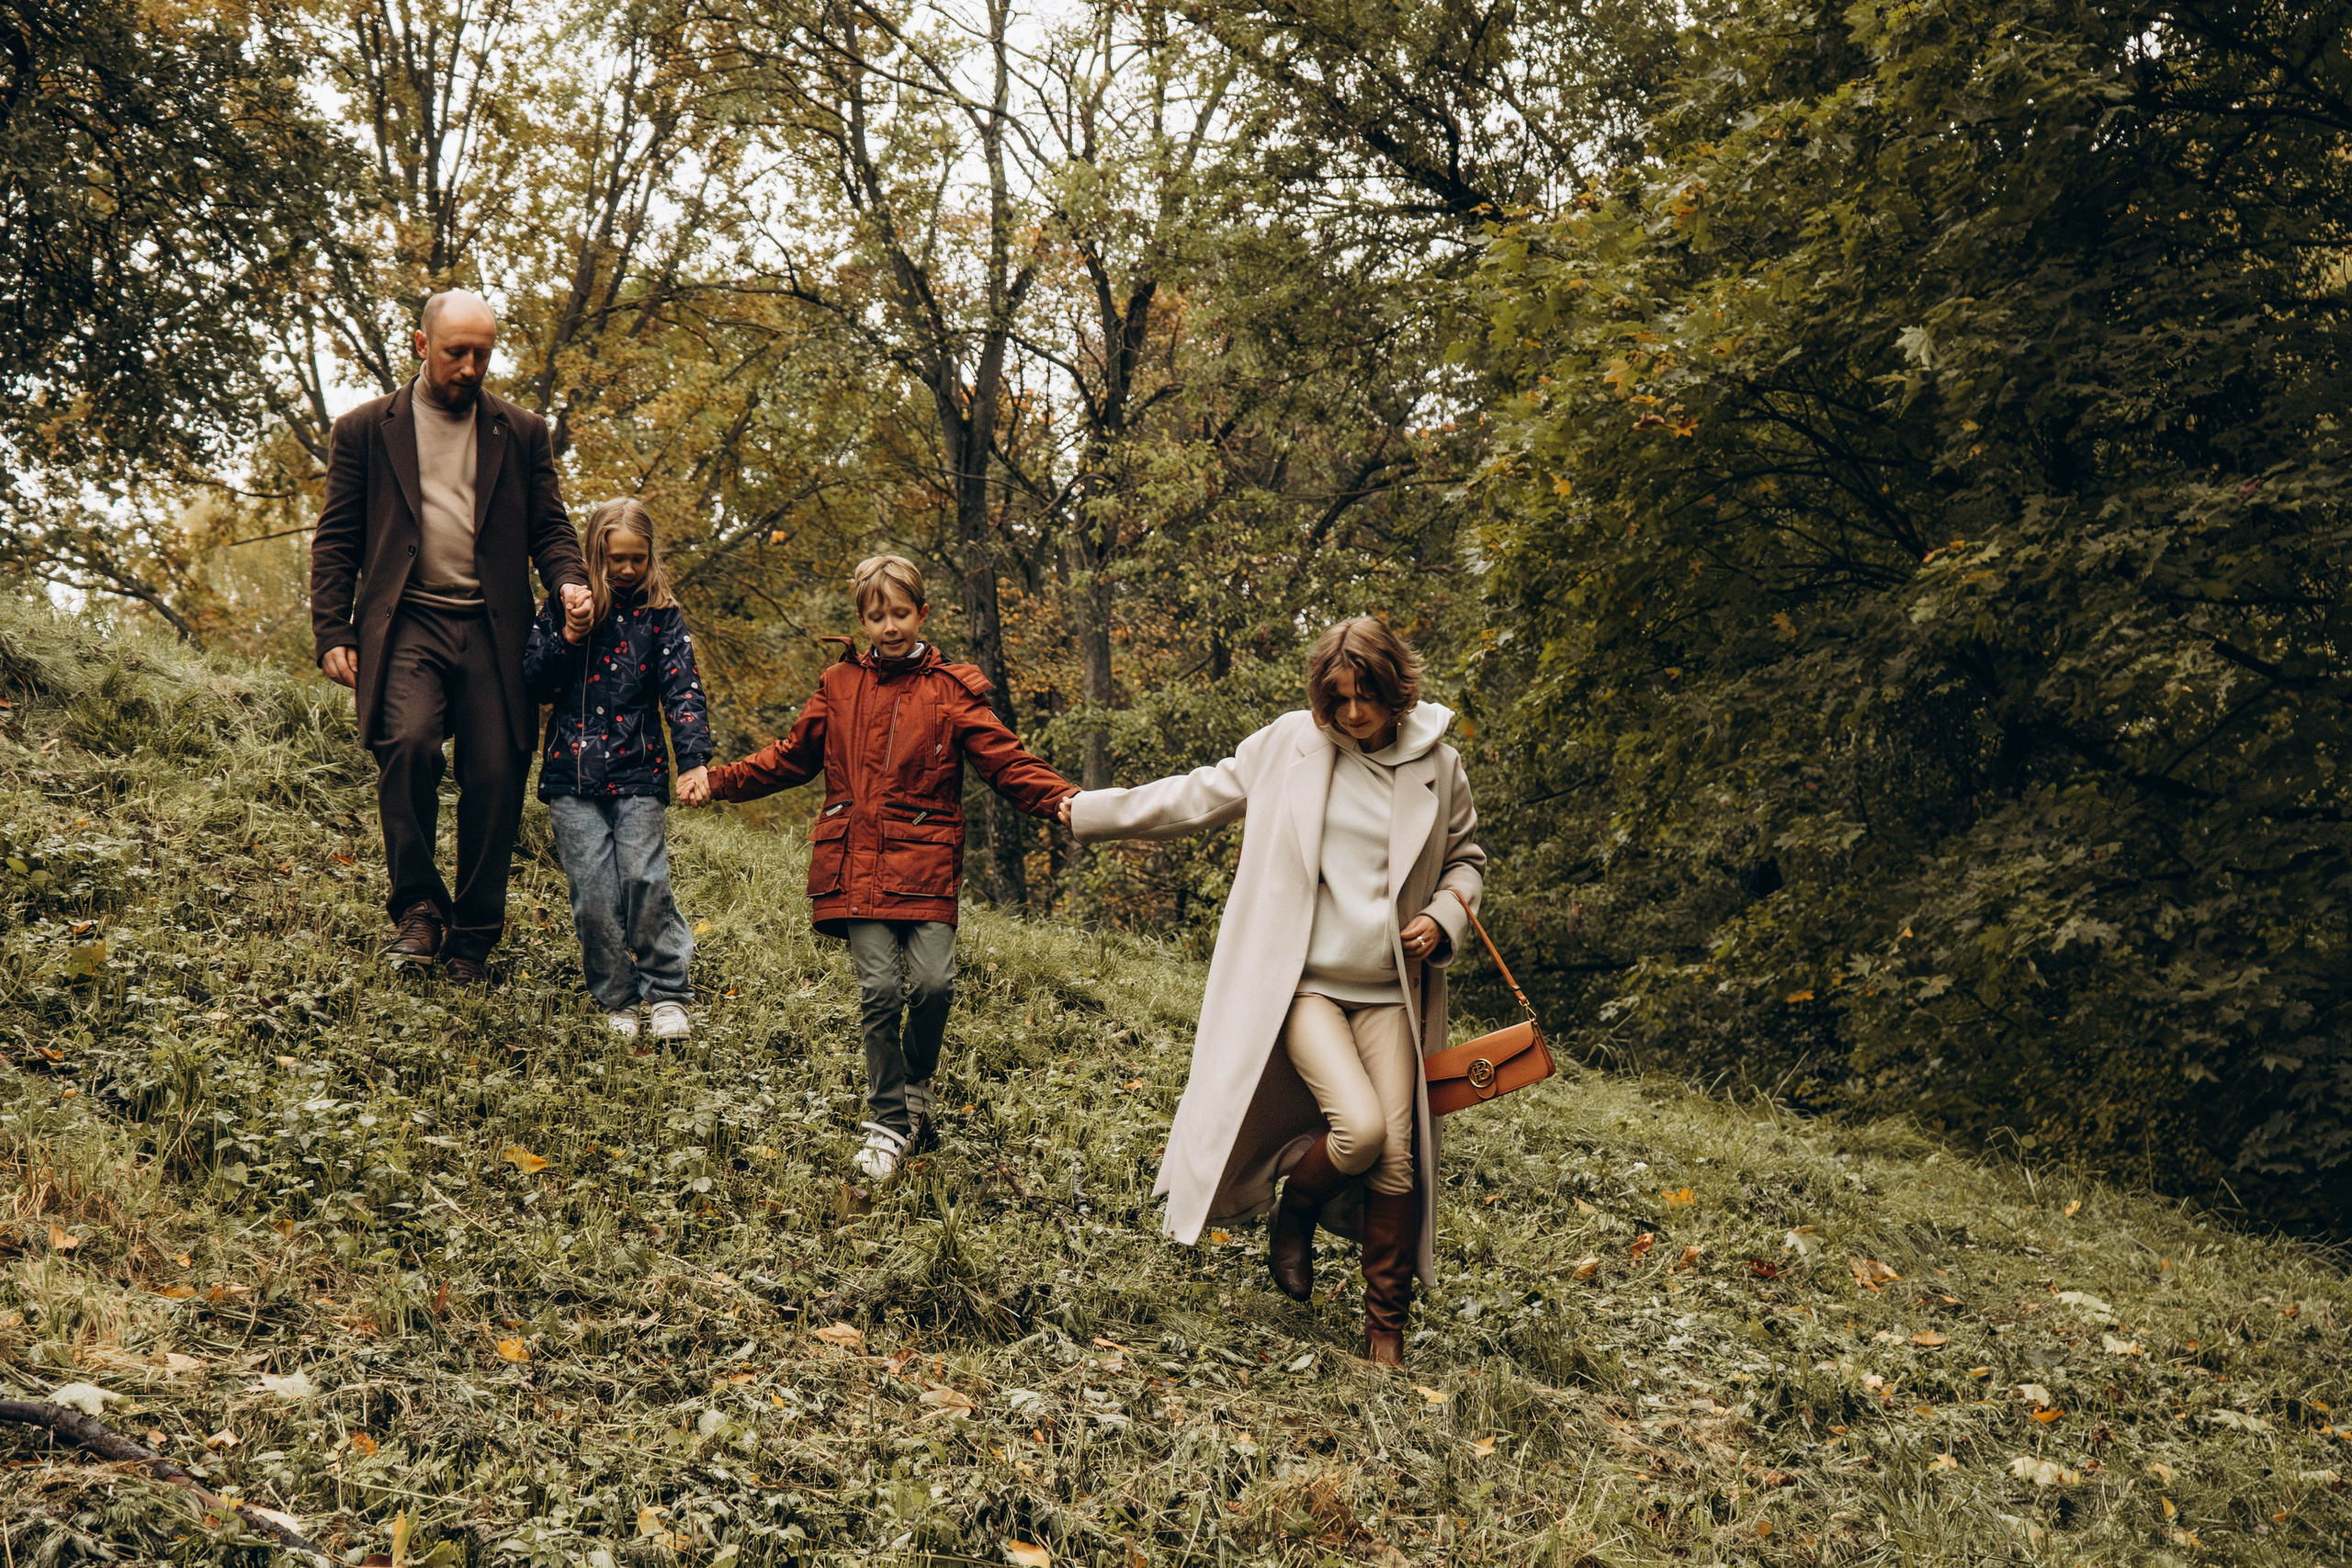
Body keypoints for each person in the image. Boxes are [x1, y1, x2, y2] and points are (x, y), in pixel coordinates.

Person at [1061, 617, 1484, 1365]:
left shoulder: (1439, 764)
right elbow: (1195, 798)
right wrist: (1087, 810)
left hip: (1392, 993)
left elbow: (1466, 860)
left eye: (1367, 698)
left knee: (1399, 1158)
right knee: (1360, 1130)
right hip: (1307, 986)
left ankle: (1384, 1335)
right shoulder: (1293, 743)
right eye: (1338, 700)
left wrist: (1443, 916)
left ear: (1397, 689)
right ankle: (1296, 1213)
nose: (1353, 715)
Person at [691, 555, 1077, 1180]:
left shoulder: (951, 690)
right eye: (877, 616)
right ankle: (887, 1123)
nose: (890, 625)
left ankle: (916, 1085)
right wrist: (720, 780)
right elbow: (791, 757)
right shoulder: (838, 686)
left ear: (922, 613)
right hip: (853, 867)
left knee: (932, 986)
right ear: (863, 621)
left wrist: (1066, 800)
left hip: (924, 867)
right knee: (878, 991)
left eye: (901, 612)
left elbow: (1007, 761)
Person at [311, 289, 592, 985]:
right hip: (406, 623)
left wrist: (568, 583)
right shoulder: (365, 430)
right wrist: (331, 629)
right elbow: (337, 540)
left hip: (496, 632)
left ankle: (472, 939)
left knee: (496, 776)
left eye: (482, 354)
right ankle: (418, 910)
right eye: (455, 352)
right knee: (406, 744)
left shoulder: (520, 431)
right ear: (419, 344)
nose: (470, 367)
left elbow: (550, 528)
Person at [522, 498, 713, 1041]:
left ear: (651, 557)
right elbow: (533, 682)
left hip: (640, 772)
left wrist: (694, 760)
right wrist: (570, 637)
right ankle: (617, 1000)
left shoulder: (662, 615)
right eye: (615, 559)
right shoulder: (563, 607)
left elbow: (683, 690)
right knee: (594, 895)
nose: (627, 569)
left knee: (645, 881)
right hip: (570, 777)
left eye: (637, 558)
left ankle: (668, 994)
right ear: (593, 555)